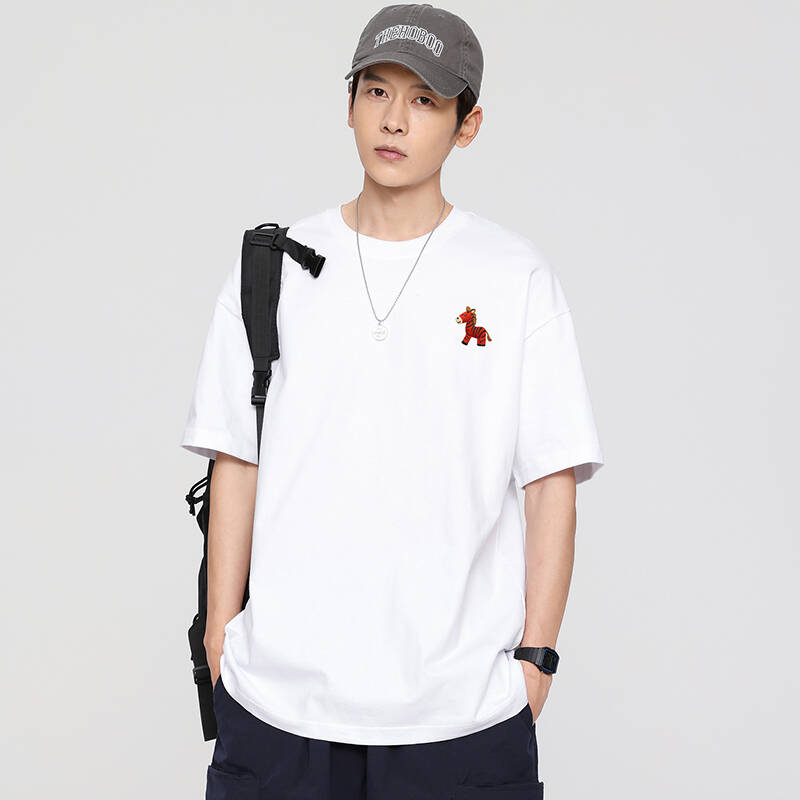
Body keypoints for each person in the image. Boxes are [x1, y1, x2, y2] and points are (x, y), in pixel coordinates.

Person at [180, 4, 604, 798]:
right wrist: (221, 640)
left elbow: (551, 481)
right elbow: (237, 457)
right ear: (348, 105)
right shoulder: (272, 269)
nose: (394, 119)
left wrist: (536, 661)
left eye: (425, 100)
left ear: (467, 125)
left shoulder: (513, 276)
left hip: (461, 713)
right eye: (376, 91)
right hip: (278, 704)